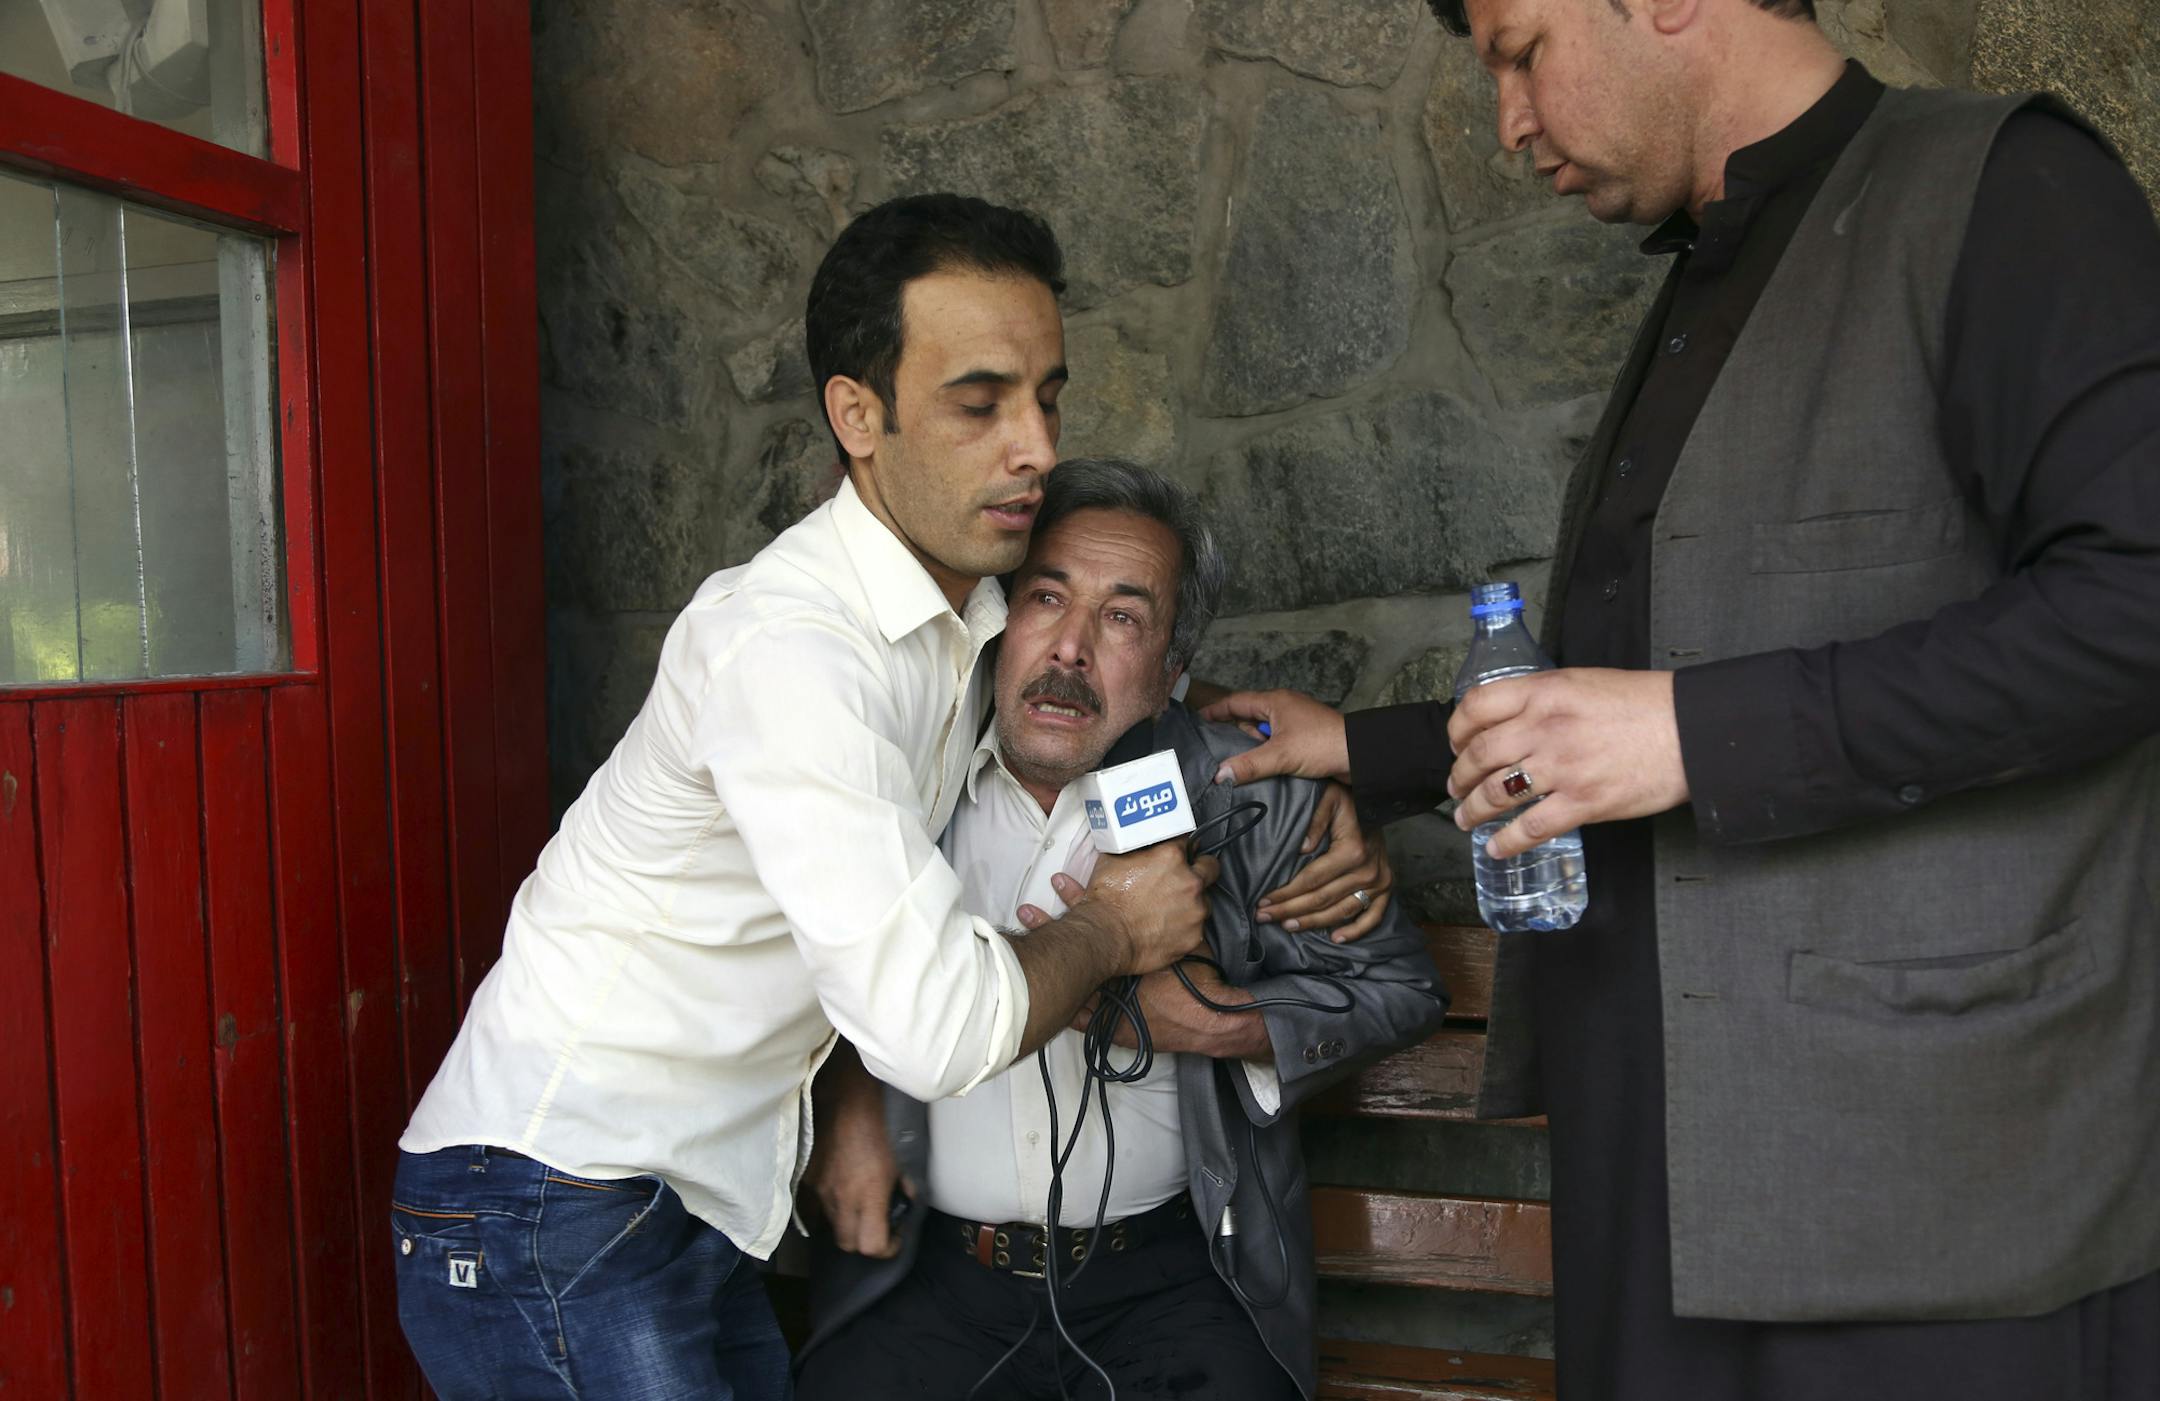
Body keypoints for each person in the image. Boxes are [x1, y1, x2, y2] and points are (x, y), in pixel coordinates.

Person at [1205, 1, 2160, 1398]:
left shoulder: (2012, 192)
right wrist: (1364, 748)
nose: (1508, 123)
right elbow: (1675, 661)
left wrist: (1692, 737)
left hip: (1932, 1203)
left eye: (1520, 51)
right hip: (1659, 1173)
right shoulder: (1712, 266)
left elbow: (2136, 603)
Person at [388, 195, 1227, 1401]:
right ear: (858, 416)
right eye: (981, 404)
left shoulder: (960, 621)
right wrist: (1112, 926)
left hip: (681, 1205)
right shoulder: (792, 648)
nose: (1036, 447)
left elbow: (1104, 672)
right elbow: (937, 1029)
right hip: (550, 1203)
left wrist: (1282, 747)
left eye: (1048, 398)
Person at [793, 459, 1449, 1401]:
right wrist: (845, 1094)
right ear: (996, 620)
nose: (1070, 647)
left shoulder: (1244, 793)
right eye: (1046, 597)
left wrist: (1216, 1023)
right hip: (927, 1273)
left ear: (1173, 671)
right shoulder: (896, 771)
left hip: (1172, 1282)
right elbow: (795, 947)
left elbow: (1404, 991)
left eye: (1123, 618)